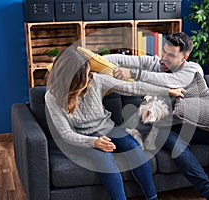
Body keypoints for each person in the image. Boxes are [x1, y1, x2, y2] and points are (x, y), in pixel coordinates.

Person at [44, 45, 185, 200]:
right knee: (105, 160)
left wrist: (167, 91)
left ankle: (152, 198)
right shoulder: (52, 97)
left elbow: (132, 87)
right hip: (81, 139)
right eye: (84, 76)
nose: (88, 78)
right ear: (71, 80)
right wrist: (94, 142)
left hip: (107, 128)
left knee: (134, 149)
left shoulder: (95, 80)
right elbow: (66, 134)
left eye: (88, 73)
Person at [104, 32, 209, 200]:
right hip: (159, 129)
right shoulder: (155, 63)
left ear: (184, 57)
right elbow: (123, 60)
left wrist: (135, 74)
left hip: (186, 124)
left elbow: (167, 81)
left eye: (171, 55)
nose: (164, 58)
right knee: (178, 145)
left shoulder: (193, 70)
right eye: (164, 51)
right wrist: (93, 60)